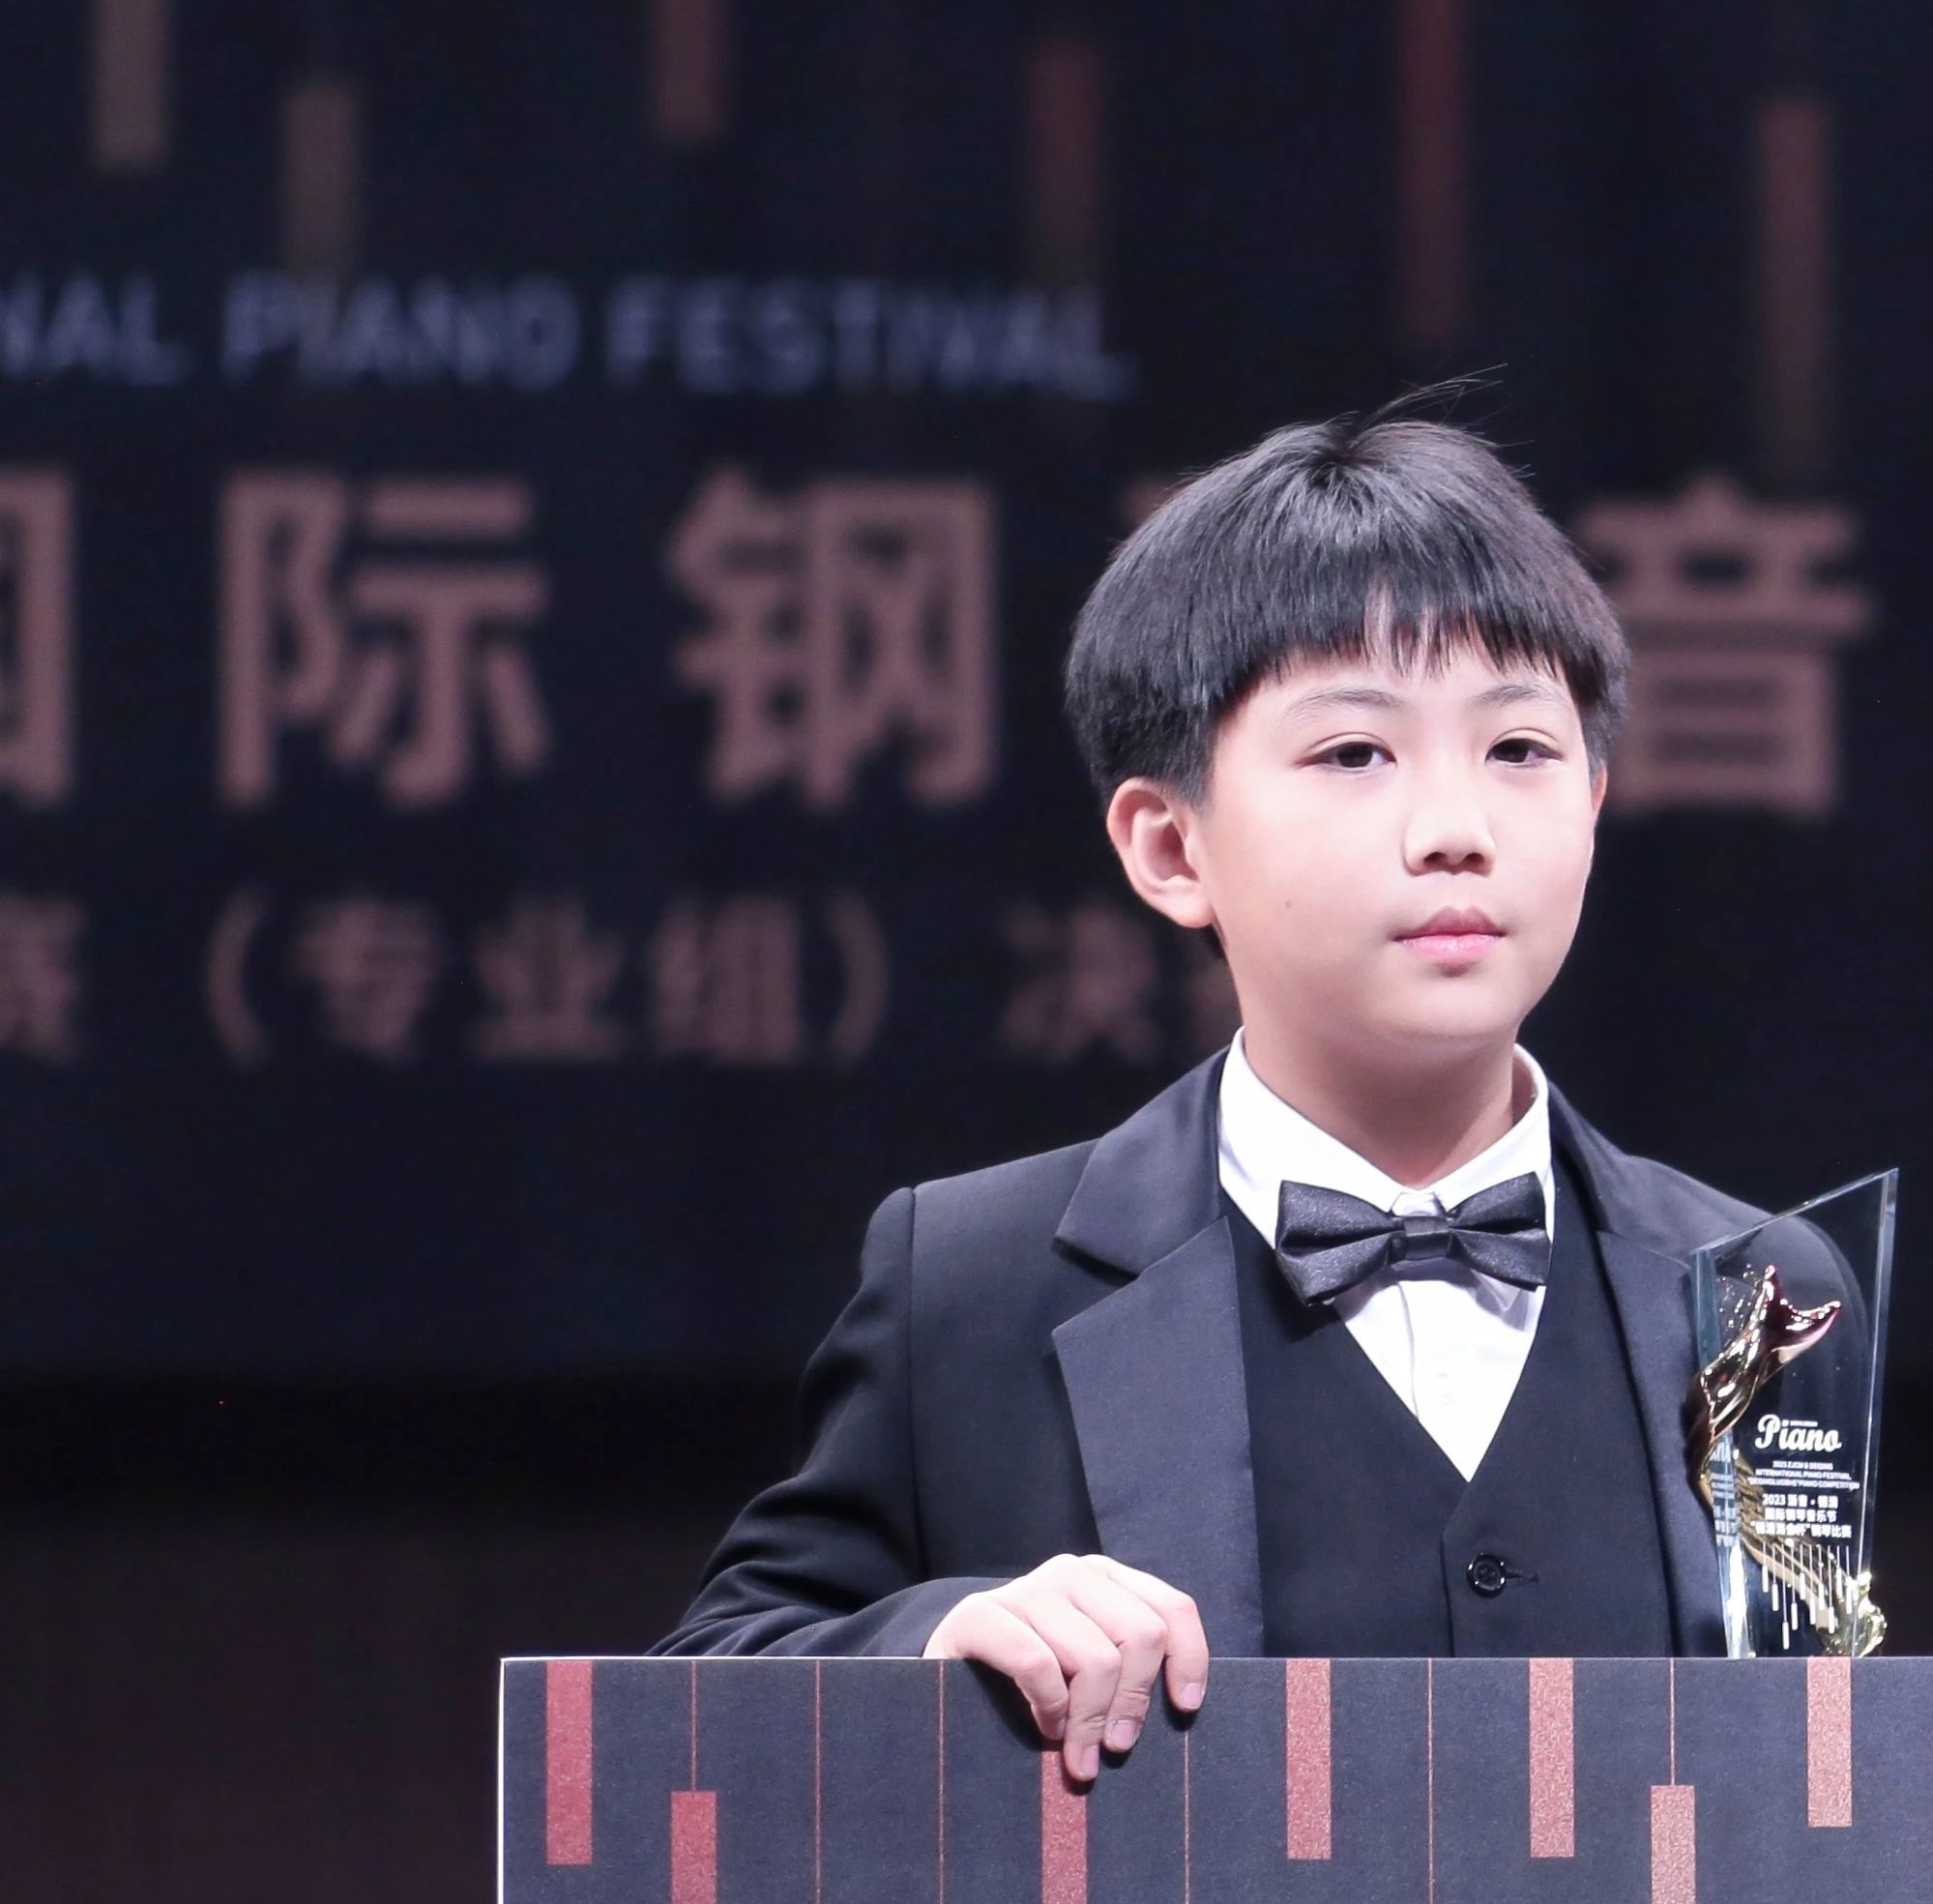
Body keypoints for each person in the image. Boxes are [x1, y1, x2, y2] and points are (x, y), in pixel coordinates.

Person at [665, 407, 1859, 1780]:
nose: (1456, 829)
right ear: (1170, 848)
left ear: (1593, 800)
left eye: (1519, 750)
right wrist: (939, 1638)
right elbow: (700, 1697)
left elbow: (1834, 1774)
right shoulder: (975, 1281)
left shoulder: (1762, 1290)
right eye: (1355, 753)